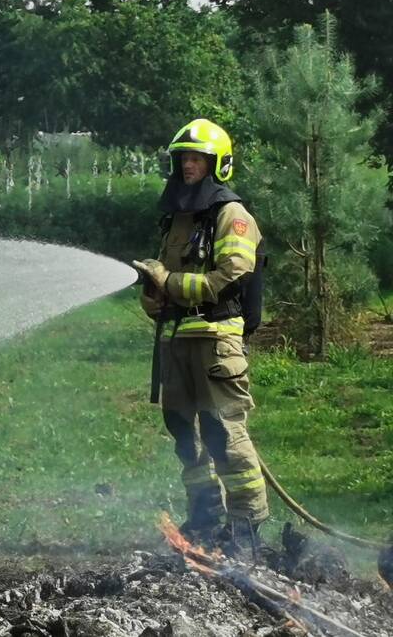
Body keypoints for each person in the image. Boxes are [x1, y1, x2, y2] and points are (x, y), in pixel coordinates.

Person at [132, 118, 268, 559]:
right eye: (183, 159)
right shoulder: (177, 220)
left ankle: (246, 526)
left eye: (196, 159)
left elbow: (227, 278)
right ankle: (206, 517)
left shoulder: (233, 216)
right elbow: (166, 284)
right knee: (183, 433)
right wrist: (153, 293)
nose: (188, 165)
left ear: (217, 164)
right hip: (178, 341)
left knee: (223, 432)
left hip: (216, 342)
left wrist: (168, 281)